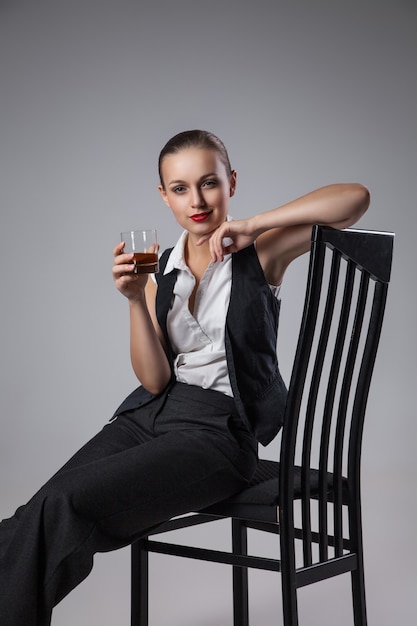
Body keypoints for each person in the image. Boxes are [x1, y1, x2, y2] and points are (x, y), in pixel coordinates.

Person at [0, 129, 370, 625]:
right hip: (147, 416)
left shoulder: (261, 253)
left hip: (216, 435)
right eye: (179, 189)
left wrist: (255, 224)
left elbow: (354, 200)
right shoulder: (163, 269)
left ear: (231, 182)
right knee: (37, 512)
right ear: (164, 196)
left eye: (209, 184)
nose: (196, 201)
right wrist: (135, 299)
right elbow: (154, 380)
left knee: (62, 506)